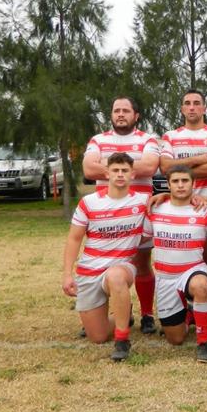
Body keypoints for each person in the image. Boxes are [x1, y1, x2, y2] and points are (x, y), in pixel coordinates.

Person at [83, 96, 162, 334]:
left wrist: (108, 164)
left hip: (139, 212)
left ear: (136, 115)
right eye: (116, 110)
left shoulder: (147, 139)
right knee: (103, 265)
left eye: (126, 110)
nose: (120, 114)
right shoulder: (98, 139)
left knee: (142, 263)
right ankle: (113, 316)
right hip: (105, 213)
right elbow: (88, 169)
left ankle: (147, 314)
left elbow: (149, 167)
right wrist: (128, 166)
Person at [62, 153, 149, 363]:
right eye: (116, 170)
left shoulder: (143, 201)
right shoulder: (89, 203)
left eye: (125, 170)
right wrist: (67, 275)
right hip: (90, 270)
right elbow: (74, 239)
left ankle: (122, 340)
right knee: (98, 337)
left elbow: (172, 200)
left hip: (121, 268)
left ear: (133, 174)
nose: (120, 174)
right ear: (106, 173)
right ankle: (123, 313)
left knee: (116, 276)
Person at [159, 89, 207, 333]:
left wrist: (181, 168)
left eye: (196, 103)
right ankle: (186, 311)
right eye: (187, 103)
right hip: (178, 208)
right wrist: (199, 158)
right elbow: (166, 168)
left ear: (204, 108)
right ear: (181, 108)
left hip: (206, 205)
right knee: (181, 261)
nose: (192, 107)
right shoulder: (171, 136)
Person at [144, 166, 207, 363]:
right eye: (175, 181)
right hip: (165, 278)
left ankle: (204, 342)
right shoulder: (155, 208)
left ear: (193, 184)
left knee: (200, 286)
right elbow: (142, 239)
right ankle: (190, 309)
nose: (180, 185)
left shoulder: (203, 209)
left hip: (192, 270)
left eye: (185, 181)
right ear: (168, 184)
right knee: (176, 339)